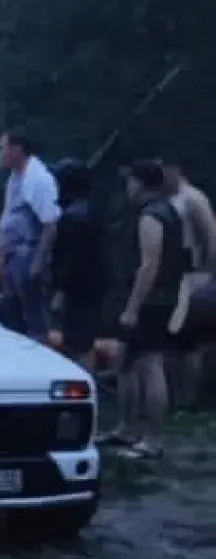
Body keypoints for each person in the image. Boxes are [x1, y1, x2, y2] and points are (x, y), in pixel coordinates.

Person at [104, 161, 185, 459]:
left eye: (130, 182)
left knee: (150, 363)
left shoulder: (152, 216)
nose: (127, 188)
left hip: (150, 301)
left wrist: (132, 308)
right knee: (125, 363)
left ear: (139, 184)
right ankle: (126, 428)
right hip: (158, 297)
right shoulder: (168, 211)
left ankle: (153, 438)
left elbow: (149, 264)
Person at [0, 130, 60, 340]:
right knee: (11, 312)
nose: (0, 152)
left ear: (16, 149)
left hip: (28, 254)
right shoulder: (15, 177)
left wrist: (38, 263)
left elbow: (50, 224)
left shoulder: (39, 179)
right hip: (12, 255)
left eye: (3, 147)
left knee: (34, 316)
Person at [163, 158, 216, 406]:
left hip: (195, 276)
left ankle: (188, 398)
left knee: (190, 341)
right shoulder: (167, 200)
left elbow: (210, 238)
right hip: (173, 277)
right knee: (173, 341)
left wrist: (207, 273)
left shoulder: (193, 199)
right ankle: (173, 396)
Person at [49, 159, 107, 370]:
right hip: (91, 286)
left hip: (78, 290)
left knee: (79, 343)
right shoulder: (91, 209)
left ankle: (84, 379)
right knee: (80, 340)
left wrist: (60, 291)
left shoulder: (75, 217)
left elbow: (72, 259)